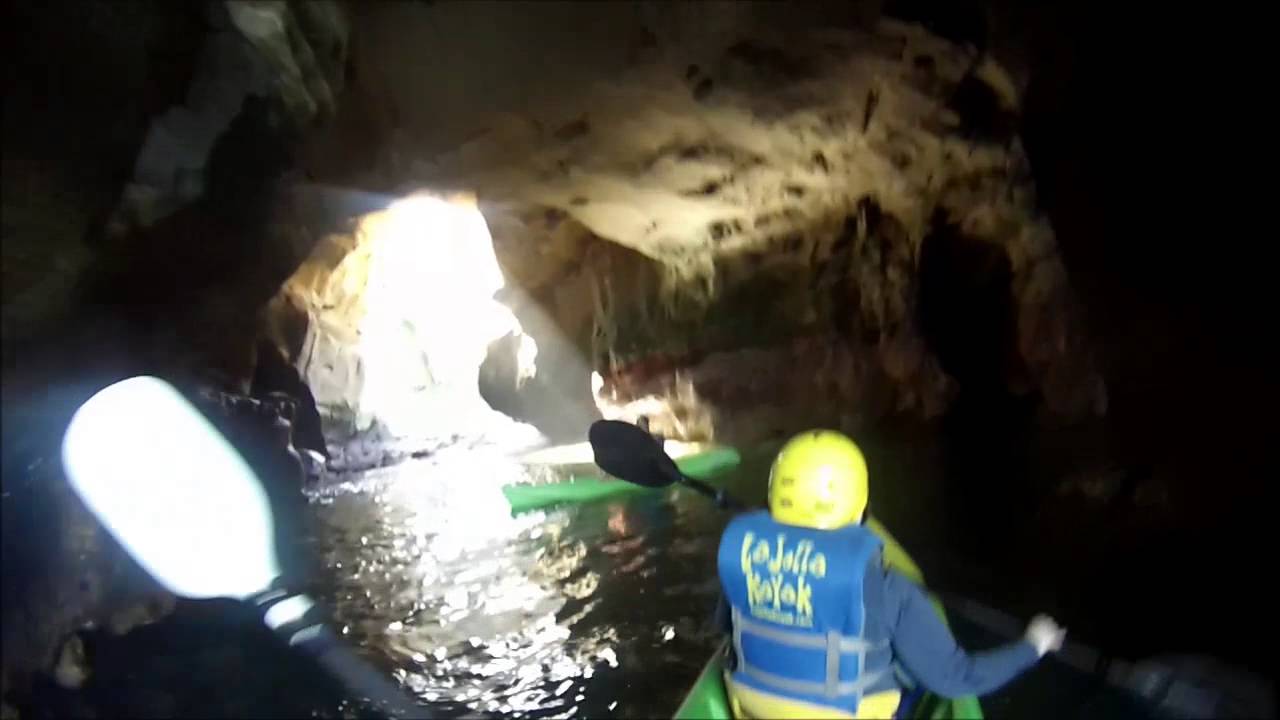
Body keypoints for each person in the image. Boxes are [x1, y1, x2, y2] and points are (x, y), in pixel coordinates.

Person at [716, 430, 1066, 719]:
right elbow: (956, 679)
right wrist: (1033, 645)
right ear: (861, 504)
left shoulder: (744, 559)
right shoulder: (888, 587)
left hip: (754, 709)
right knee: (915, 670)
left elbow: (725, 627)